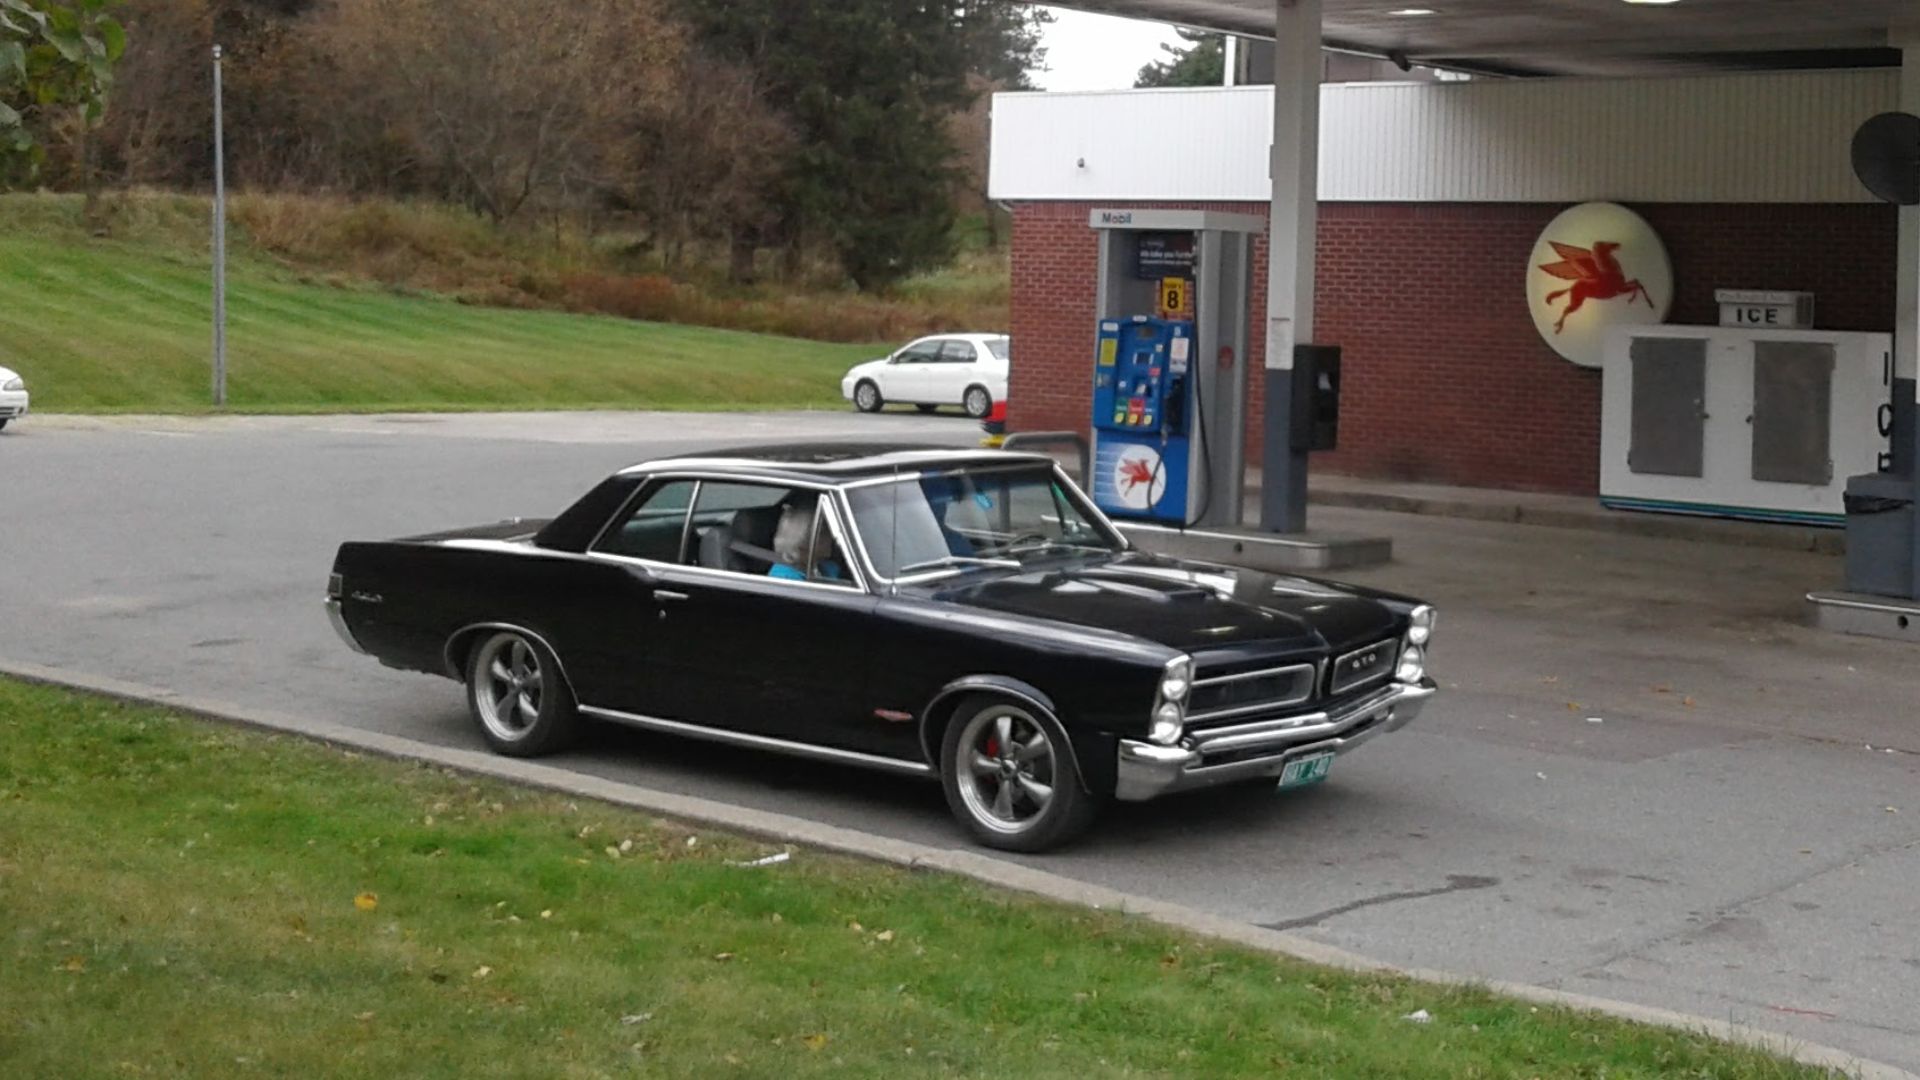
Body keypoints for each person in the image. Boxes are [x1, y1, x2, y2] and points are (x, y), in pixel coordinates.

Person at [768, 499, 844, 582]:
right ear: (804, 539)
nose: (832, 537)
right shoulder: (784, 577)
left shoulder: (828, 567)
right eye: (824, 532)